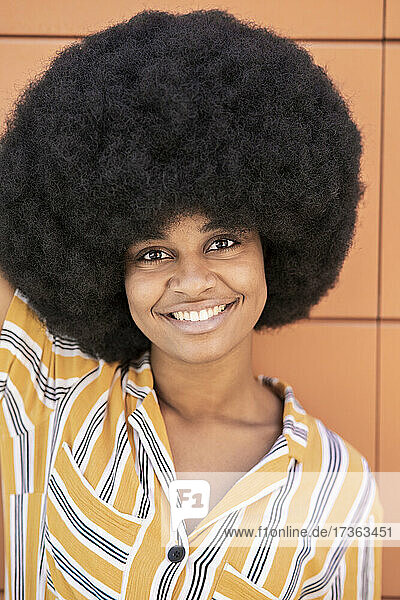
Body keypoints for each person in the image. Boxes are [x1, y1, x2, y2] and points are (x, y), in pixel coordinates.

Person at [0, 8, 383, 600]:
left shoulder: (344, 485)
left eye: (223, 241)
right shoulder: (49, 389)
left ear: (272, 245)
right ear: (104, 264)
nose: (193, 280)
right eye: (153, 252)